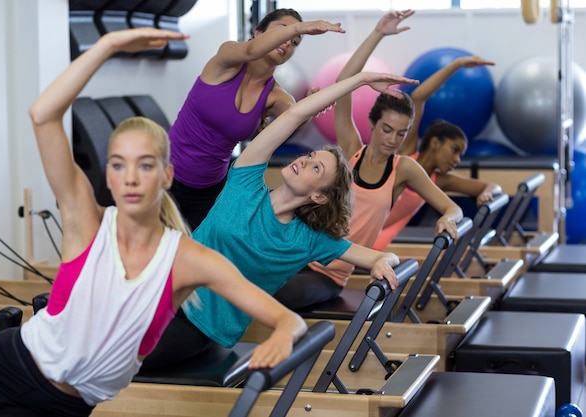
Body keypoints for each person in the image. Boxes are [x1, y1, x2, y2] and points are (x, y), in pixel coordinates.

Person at [0, 28, 309, 417]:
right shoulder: (86, 223)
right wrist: (107, 46)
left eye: (145, 165)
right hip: (8, 360)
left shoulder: (187, 260)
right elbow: (42, 115)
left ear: (166, 176)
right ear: (107, 177)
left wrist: (284, 333)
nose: (130, 177)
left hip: (64, 405)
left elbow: (286, 319)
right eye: (118, 165)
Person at [140, 69, 420, 371]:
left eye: (316, 169)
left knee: (116, 356)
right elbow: (292, 116)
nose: (304, 161)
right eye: (310, 157)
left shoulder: (308, 238)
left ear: (320, 197)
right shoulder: (245, 183)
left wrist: (380, 262)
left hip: (198, 326)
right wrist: (360, 80)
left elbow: (384, 257)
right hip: (159, 290)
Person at [274, 10, 464, 310]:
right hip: (295, 252)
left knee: (276, 294)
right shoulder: (351, 149)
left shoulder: (404, 169)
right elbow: (345, 81)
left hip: (328, 275)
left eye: (401, 134)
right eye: (387, 129)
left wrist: (447, 218)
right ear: (372, 124)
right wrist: (378, 33)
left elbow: (451, 207)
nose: (392, 139)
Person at [169, 8, 346, 230]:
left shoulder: (275, 95)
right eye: (283, 30)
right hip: (166, 173)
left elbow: (295, 118)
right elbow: (251, 50)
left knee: (194, 254)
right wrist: (301, 27)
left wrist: (311, 106)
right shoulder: (227, 58)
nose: (289, 41)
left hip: (210, 188)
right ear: (258, 31)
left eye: (295, 41)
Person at [372, 54, 502, 251]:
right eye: (454, 150)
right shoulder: (406, 154)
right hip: (355, 228)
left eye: (460, 155)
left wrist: (486, 194)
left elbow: (492, 186)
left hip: (375, 242)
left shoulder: (438, 180)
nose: (456, 159)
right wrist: (457, 64)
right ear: (434, 142)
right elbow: (418, 97)